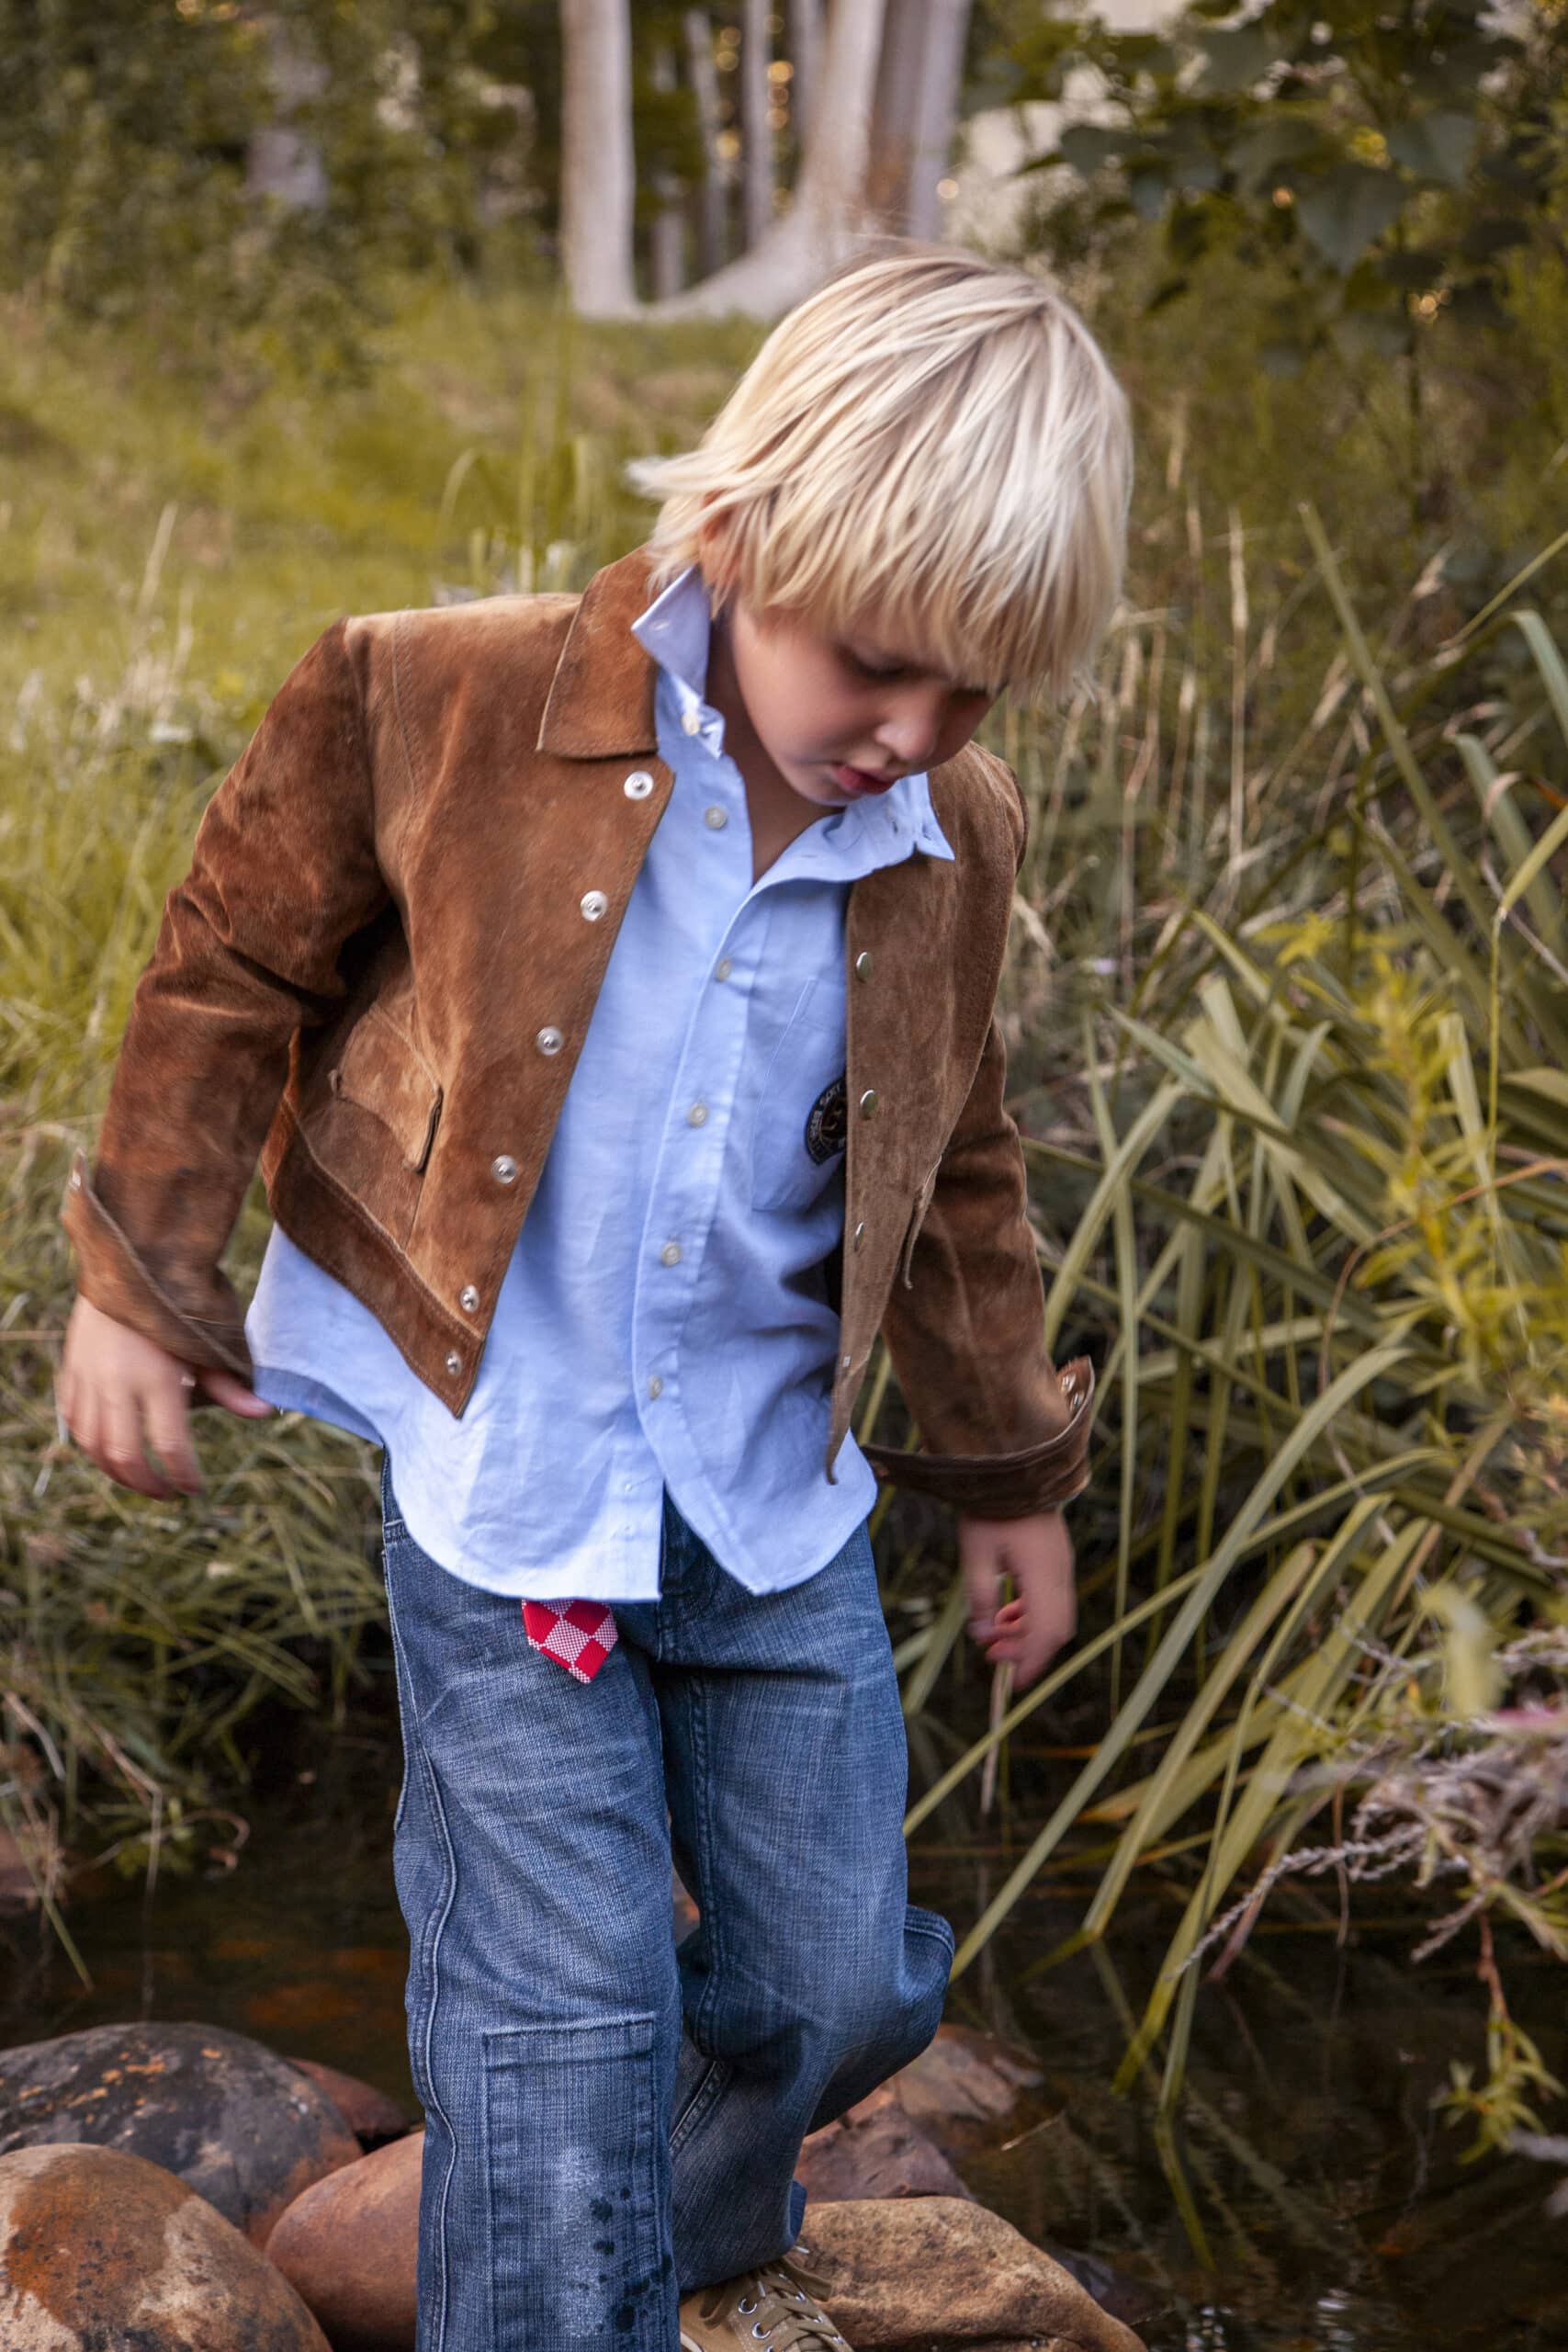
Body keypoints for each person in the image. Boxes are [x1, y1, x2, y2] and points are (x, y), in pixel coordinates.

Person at [54, 242, 1132, 2351]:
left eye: (972, 692)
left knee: (829, 1976)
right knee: (558, 2020)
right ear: (733, 529)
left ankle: (672, 2217)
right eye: (872, 662)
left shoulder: (943, 830)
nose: (908, 731)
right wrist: (139, 1280)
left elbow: (958, 1155)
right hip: (516, 1475)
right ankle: (553, 2282)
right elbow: (226, 964)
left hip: (764, 1496)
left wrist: (1004, 1464)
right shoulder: (434, 693)